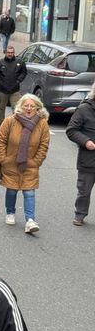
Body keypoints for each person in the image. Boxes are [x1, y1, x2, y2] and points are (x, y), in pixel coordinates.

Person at [0, 94, 50, 233]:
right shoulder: (10, 121)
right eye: (26, 105)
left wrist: (37, 161)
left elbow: (44, 144)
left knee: (29, 192)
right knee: (12, 190)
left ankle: (30, 220)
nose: (29, 108)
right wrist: (3, 158)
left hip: (30, 164)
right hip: (11, 162)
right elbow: (1, 140)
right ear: (20, 106)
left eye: (32, 106)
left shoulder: (42, 123)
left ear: (37, 108)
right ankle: (10, 212)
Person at [66, 83, 95, 226]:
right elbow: (71, 130)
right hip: (89, 159)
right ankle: (80, 214)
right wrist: (86, 141)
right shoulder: (84, 109)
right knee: (84, 191)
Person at [0, 46, 27, 128]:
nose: (10, 54)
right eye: (8, 52)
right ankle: (1, 124)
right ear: (5, 53)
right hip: (3, 90)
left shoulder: (20, 62)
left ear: (14, 53)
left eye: (12, 53)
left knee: (16, 108)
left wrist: (18, 80)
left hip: (15, 90)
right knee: (1, 107)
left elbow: (24, 72)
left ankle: (16, 124)